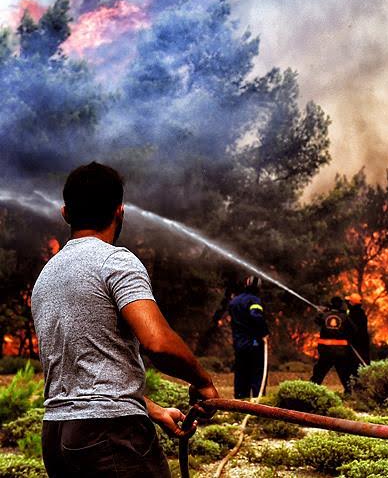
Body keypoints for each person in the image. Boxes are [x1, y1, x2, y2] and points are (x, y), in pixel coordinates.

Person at [31, 162, 219, 478]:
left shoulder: (46, 276)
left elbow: (85, 375)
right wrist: (203, 381)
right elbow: (158, 343)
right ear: (120, 211)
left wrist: (154, 411)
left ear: (65, 213)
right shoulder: (115, 261)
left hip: (57, 436)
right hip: (111, 436)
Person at [228, 275, 270, 399]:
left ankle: (240, 401)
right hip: (254, 343)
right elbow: (255, 316)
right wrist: (264, 332)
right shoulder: (254, 301)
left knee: (241, 373)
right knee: (257, 373)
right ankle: (258, 403)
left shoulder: (234, 301)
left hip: (239, 344)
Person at [310, 296, 357, 393]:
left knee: (319, 373)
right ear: (340, 305)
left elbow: (317, 321)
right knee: (344, 373)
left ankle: (311, 390)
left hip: (326, 351)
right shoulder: (344, 317)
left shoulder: (324, 315)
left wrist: (322, 312)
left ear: (331, 304)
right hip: (340, 352)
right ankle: (348, 392)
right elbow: (354, 330)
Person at [346, 292, 370, 371]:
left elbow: (351, 328)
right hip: (362, 342)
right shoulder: (360, 312)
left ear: (352, 303)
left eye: (348, 302)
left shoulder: (354, 314)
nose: (347, 304)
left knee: (356, 364)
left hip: (356, 343)